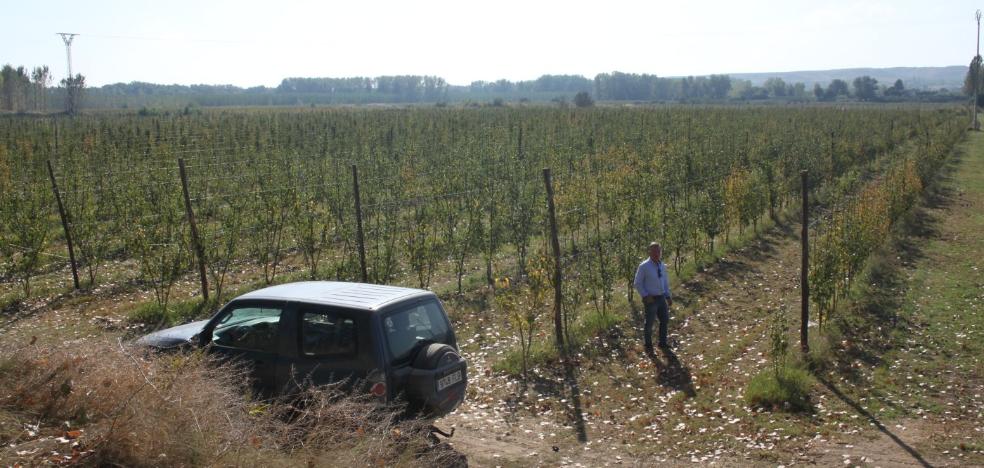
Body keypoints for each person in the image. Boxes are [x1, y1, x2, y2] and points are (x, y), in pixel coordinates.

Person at [633, 242, 673, 353]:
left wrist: (668, 296)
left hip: (661, 297)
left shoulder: (662, 265)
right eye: (654, 251)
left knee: (664, 320)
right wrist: (645, 295)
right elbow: (637, 283)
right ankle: (648, 345)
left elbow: (665, 282)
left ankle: (663, 343)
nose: (657, 253)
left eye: (658, 251)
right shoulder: (644, 266)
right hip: (651, 299)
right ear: (649, 252)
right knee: (649, 323)